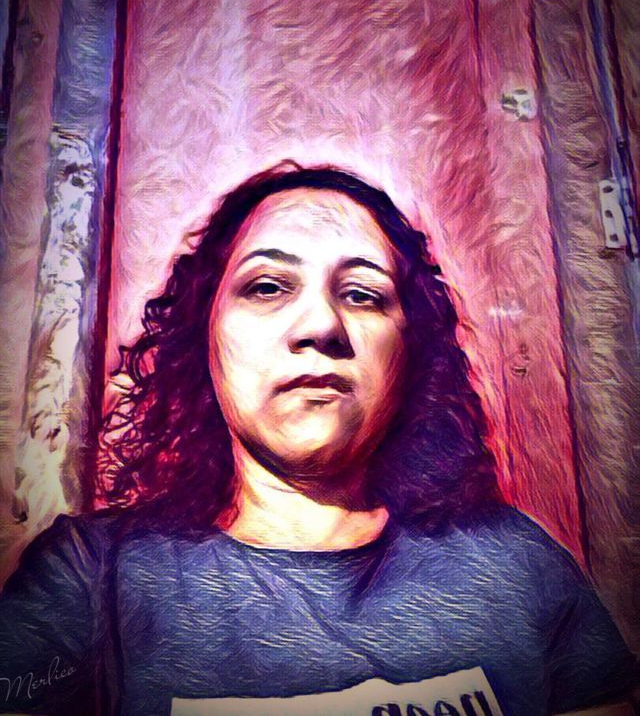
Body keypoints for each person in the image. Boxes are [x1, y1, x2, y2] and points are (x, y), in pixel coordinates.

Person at [0, 162, 636, 716]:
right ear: (204, 337)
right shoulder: (88, 580)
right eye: (267, 286)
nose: (321, 324)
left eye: (362, 294)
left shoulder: (517, 564)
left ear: (410, 353)